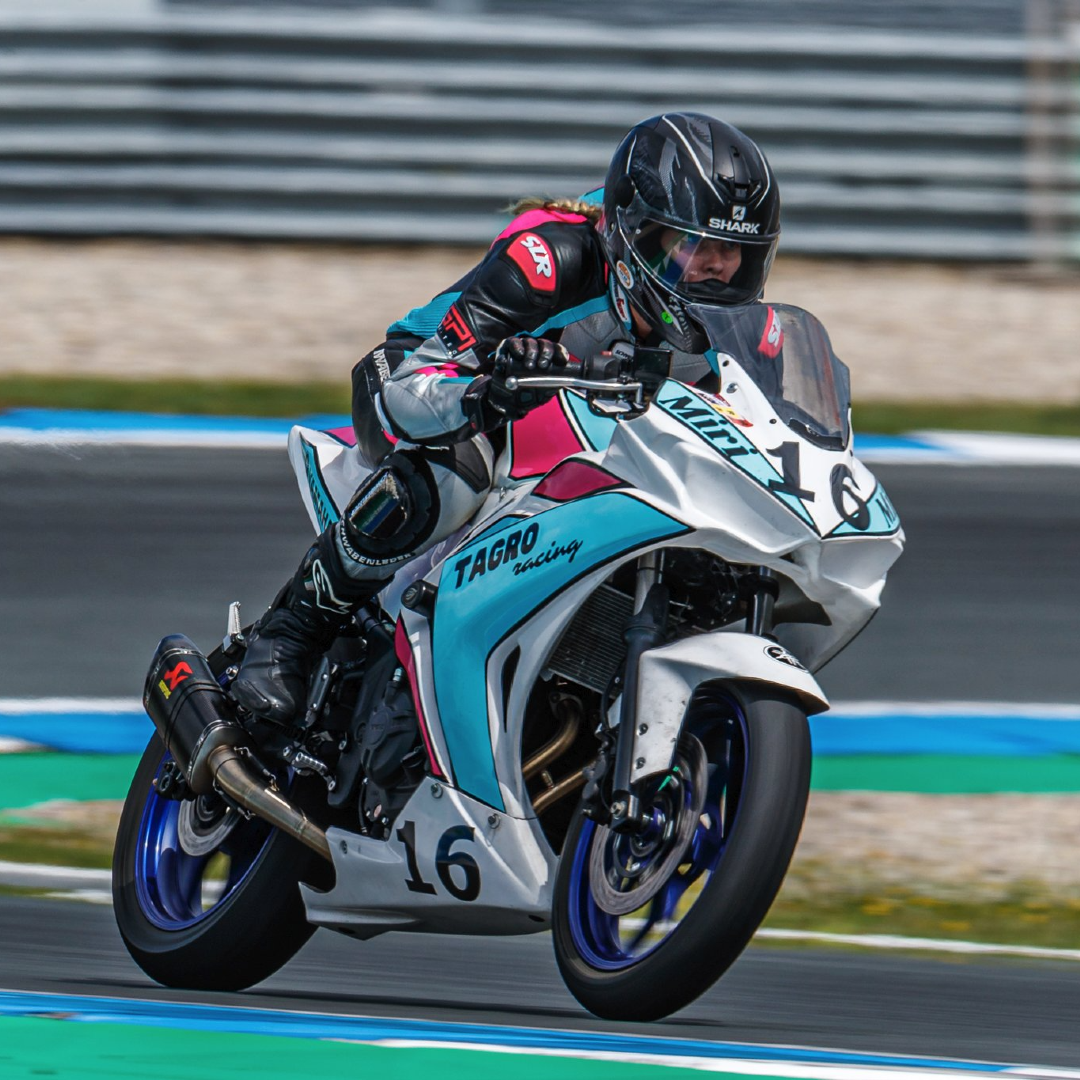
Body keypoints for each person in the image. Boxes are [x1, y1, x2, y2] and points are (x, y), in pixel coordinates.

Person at [230, 111, 783, 723]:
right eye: (698, 244)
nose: (719, 265)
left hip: (578, 425)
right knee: (459, 470)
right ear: (641, 235)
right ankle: (292, 630)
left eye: (734, 249)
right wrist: (487, 396)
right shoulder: (551, 257)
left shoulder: (738, 334)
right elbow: (410, 388)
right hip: (428, 378)